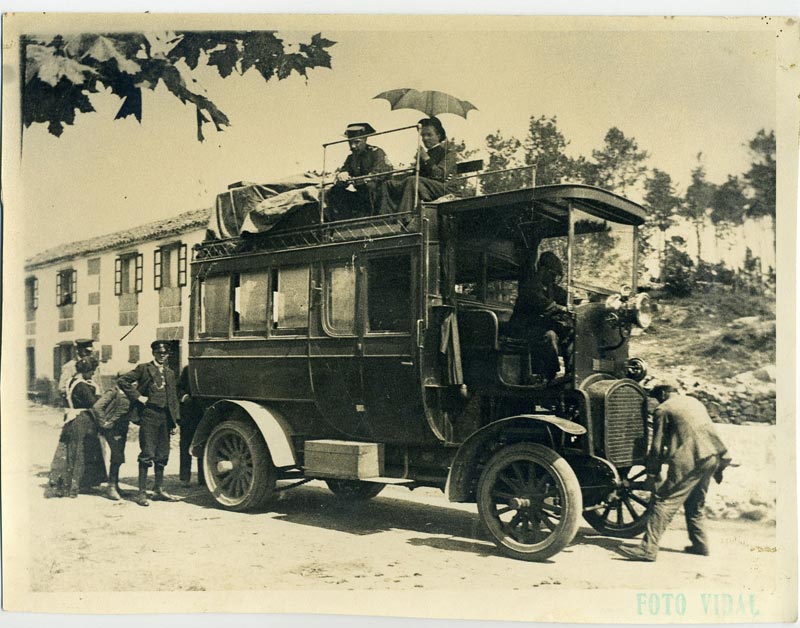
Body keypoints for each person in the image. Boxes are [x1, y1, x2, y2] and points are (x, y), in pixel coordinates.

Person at [618, 378, 731, 562]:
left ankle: (647, 549)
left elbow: (656, 446)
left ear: (663, 393)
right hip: (713, 455)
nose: (657, 401)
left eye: (657, 397)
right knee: (695, 504)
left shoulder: (664, 409)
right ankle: (700, 545)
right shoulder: (693, 402)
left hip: (691, 458)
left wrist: (652, 473)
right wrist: (720, 468)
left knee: (663, 501)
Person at [118, 340, 181, 507]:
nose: (162, 356)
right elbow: (123, 381)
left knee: (163, 454)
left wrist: (175, 421)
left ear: (168, 355)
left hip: (165, 418)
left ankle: (158, 489)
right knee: (147, 453)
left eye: (165, 353)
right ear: (153, 353)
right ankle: (141, 493)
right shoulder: (143, 368)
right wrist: (139, 397)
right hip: (149, 415)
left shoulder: (170, 373)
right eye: (159, 353)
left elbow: (173, 398)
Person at [506, 251, 573, 381]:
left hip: (536, 328)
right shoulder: (530, 286)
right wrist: (563, 308)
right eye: (552, 274)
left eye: (556, 276)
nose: (554, 278)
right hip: (521, 330)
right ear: (543, 270)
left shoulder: (550, 288)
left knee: (570, 332)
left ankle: (571, 374)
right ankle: (547, 378)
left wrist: (581, 303)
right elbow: (544, 304)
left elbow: (566, 298)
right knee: (549, 336)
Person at [49, 357, 108, 497]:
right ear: (86, 371)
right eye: (91, 371)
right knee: (80, 453)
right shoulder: (81, 385)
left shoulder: (72, 381)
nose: (92, 374)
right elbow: (93, 403)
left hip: (73, 418)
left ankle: (82, 484)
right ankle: (73, 487)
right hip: (82, 419)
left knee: (80, 451)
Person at [379, 117, 457, 214]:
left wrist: (426, 158)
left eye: (429, 135)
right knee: (389, 184)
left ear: (438, 135)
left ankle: (404, 217)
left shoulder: (448, 153)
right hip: (423, 185)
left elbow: (440, 175)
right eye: (423, 135)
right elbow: (414, 174)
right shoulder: (423, 154)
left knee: (413, 180)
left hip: (444, 187)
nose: (425, 138)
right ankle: (387, 218)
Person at [325, 122, 393, 220]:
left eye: (356, 142)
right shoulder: (351, 158)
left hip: (379, 195)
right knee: (334, 191)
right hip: (362, 196)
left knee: (370, 185)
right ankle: (344, 221)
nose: (352, 146)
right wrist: (343, 174)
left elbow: (378, 175)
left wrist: (357, 180)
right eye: (350, 142)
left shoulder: (376, 153)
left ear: (365, 139)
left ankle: (375, 218)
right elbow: (345, 170)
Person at [92, 384, 132, 501]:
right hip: (112, 428)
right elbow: (97, 406)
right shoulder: (114, 391)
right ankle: (111, 486)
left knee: (119, 455)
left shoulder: (129, 392)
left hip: (122, 427)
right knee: (117, 455)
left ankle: (115, 484)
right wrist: (103, 422)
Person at [178, 366, 205, 487]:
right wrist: (184, 397)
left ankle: (203, 478)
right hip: (189, 414)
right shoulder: (189, 369)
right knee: (185, 446)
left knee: (204, 444)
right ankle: (185, 478)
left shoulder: (213, 369)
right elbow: (178, 387)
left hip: (204, 413)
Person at [57, 339, 97, 404]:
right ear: (78, 350)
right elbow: (62, 388)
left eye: (90, 352)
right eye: (86, 351)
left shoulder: (92, 364)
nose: (88, 354)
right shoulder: (70, 366)